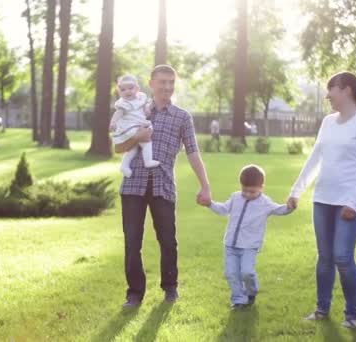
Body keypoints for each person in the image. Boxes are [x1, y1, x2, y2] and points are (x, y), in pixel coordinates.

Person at [287, 71, 356, 329]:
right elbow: (315, 158)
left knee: (342, 256)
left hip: (352, 203)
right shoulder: (328, 122)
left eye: (332, 89)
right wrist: (297, 191)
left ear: (348, 90)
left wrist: (354, 201)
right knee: (325, 257)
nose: (328, 95)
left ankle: (352, 315)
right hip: (323, 199)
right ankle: (321, 309)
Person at [114, 64, 212, 308]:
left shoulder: (182, 117)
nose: (167, 87)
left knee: (168, 240)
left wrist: (205, 186)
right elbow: (118, 147)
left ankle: (170, 288)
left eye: (171, 82)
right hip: (133, 187)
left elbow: (193, 152)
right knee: (132, 242)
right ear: (151, 83)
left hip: (163, 186)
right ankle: (134, 294)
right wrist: (137, 137)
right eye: (162, 82)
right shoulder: (134, 110)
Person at [203, 164, 294, 309]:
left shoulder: (265, 203)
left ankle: (251, 291)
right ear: (241, 186)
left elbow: (280, 210)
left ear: (261, 187)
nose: (248, 194)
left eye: (252, 191)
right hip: (230, 244)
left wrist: (290, 207)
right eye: (244, 190)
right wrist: (210, 204)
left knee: (247, 272)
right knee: (231, 273)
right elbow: (223, 210)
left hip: (249, 246)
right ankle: (239, 299)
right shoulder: (235, 197)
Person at [110, 75, 160, 177]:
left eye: (130, 88)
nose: (127, 91)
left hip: (139, 123)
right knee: (146, 141)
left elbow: (146, 111)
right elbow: (117, 114)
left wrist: (146, 109)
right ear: (119, 92)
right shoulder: (123, 104)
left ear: (137, 89)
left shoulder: (141, 98)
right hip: (130, 127)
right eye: (123, 90)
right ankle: (148, 161)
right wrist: (113, 122)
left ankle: (124, 166)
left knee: (133, 149)